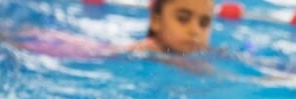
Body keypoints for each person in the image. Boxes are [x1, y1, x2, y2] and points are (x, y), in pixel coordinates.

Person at [13, 0, 214, 59]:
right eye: (183, 18)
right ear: (156, 20)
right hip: (65, 47)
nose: (195, 30)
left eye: (204, 22)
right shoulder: (148, 49)